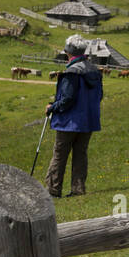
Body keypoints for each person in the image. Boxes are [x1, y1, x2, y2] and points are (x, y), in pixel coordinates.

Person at [43, 34, 103, 198]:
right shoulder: (94, 71)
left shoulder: (72, 72)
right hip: (88, 121)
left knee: (59, 155)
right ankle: (78, 189)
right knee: (80, 154)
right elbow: (99, 96)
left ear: (69, 52)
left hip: (69, 122)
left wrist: (52, 107)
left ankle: (53, 190)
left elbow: (68, 99)